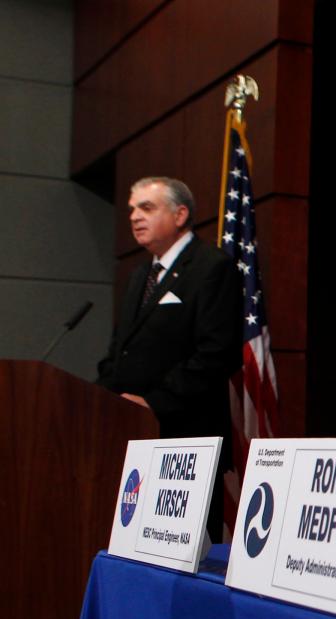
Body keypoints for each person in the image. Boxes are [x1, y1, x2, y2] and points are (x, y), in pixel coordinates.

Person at [98, 177, 240, 536]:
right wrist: (99, 402)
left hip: (185, 440)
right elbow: (119, 352)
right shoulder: (141, 275)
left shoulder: (211, 267)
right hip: (132, 439)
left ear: (180, 214)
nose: (134, 217)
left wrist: (153, 403)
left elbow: (216, 354)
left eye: (146, 207)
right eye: (131, 209)